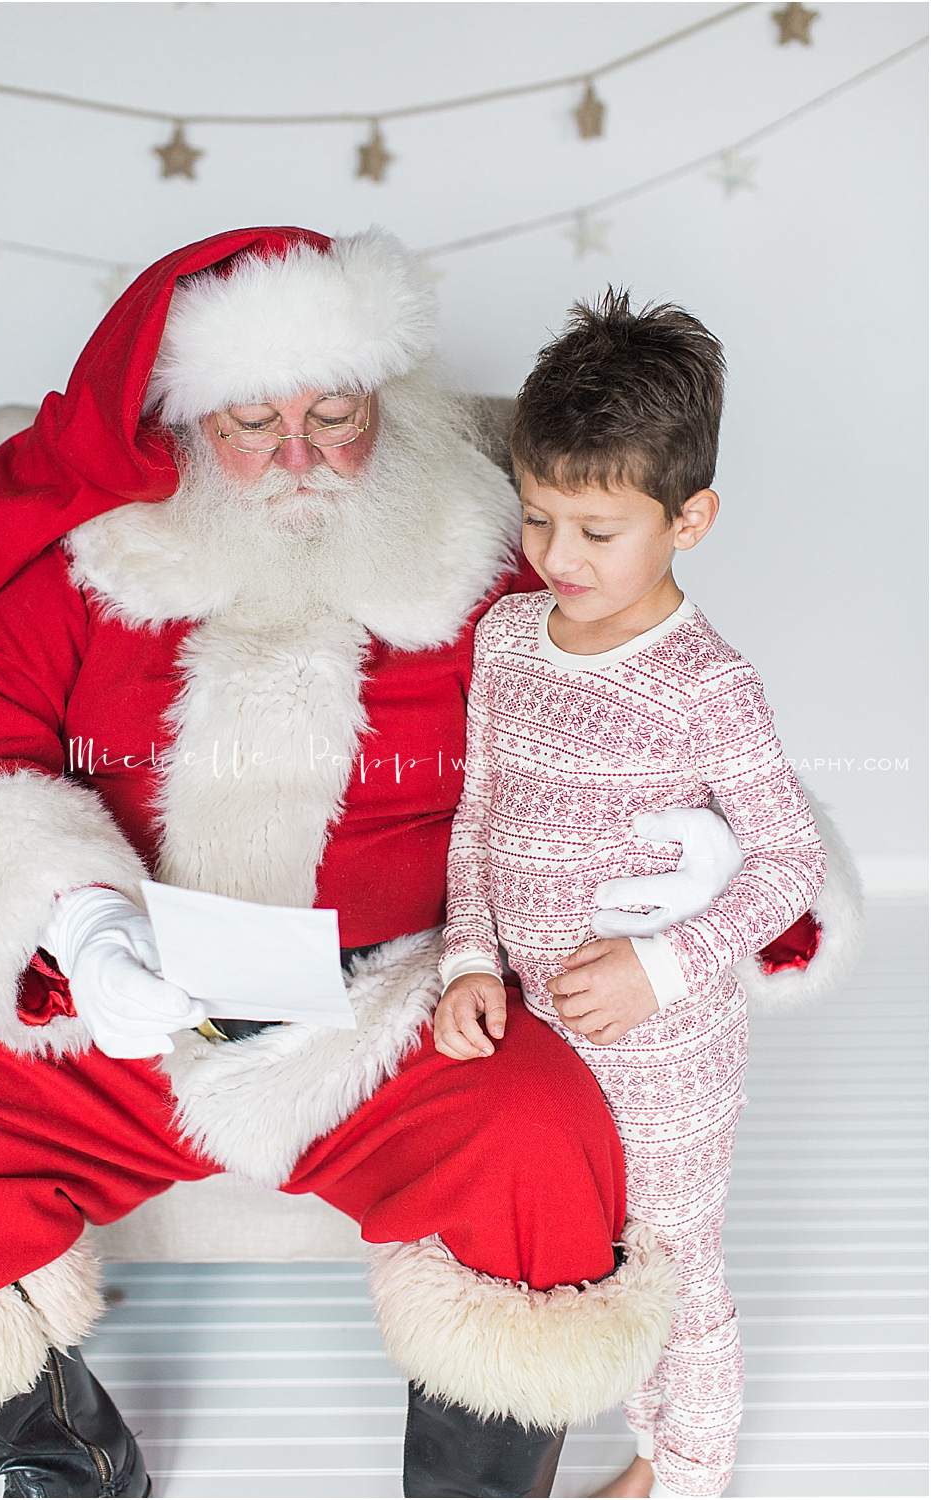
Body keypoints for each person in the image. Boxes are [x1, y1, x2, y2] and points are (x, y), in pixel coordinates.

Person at [0, 228, 861, 1497]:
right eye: (253, 421)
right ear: (188, 419)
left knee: (538, 1138)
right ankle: (68, 1456)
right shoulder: (99, 563)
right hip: (130, 1009)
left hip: (397, 1005)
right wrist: (79, 921)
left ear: (386, 400)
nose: (299, 456)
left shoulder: (492, 552)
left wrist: (715, 873)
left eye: (334, 411)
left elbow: (671, 697)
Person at [435, 292, 825, 1500]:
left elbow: (788, 862)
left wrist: (656, 967)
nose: (558, 556)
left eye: (597, 530)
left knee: (672, 1264)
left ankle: (683, 1471)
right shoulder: (505, 639)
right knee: (577, 1247)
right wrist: (462, 962)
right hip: (537, 1031)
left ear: (685, 519)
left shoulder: (705, 683)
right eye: (539, 517)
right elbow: (478, 814)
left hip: (661, 1045)